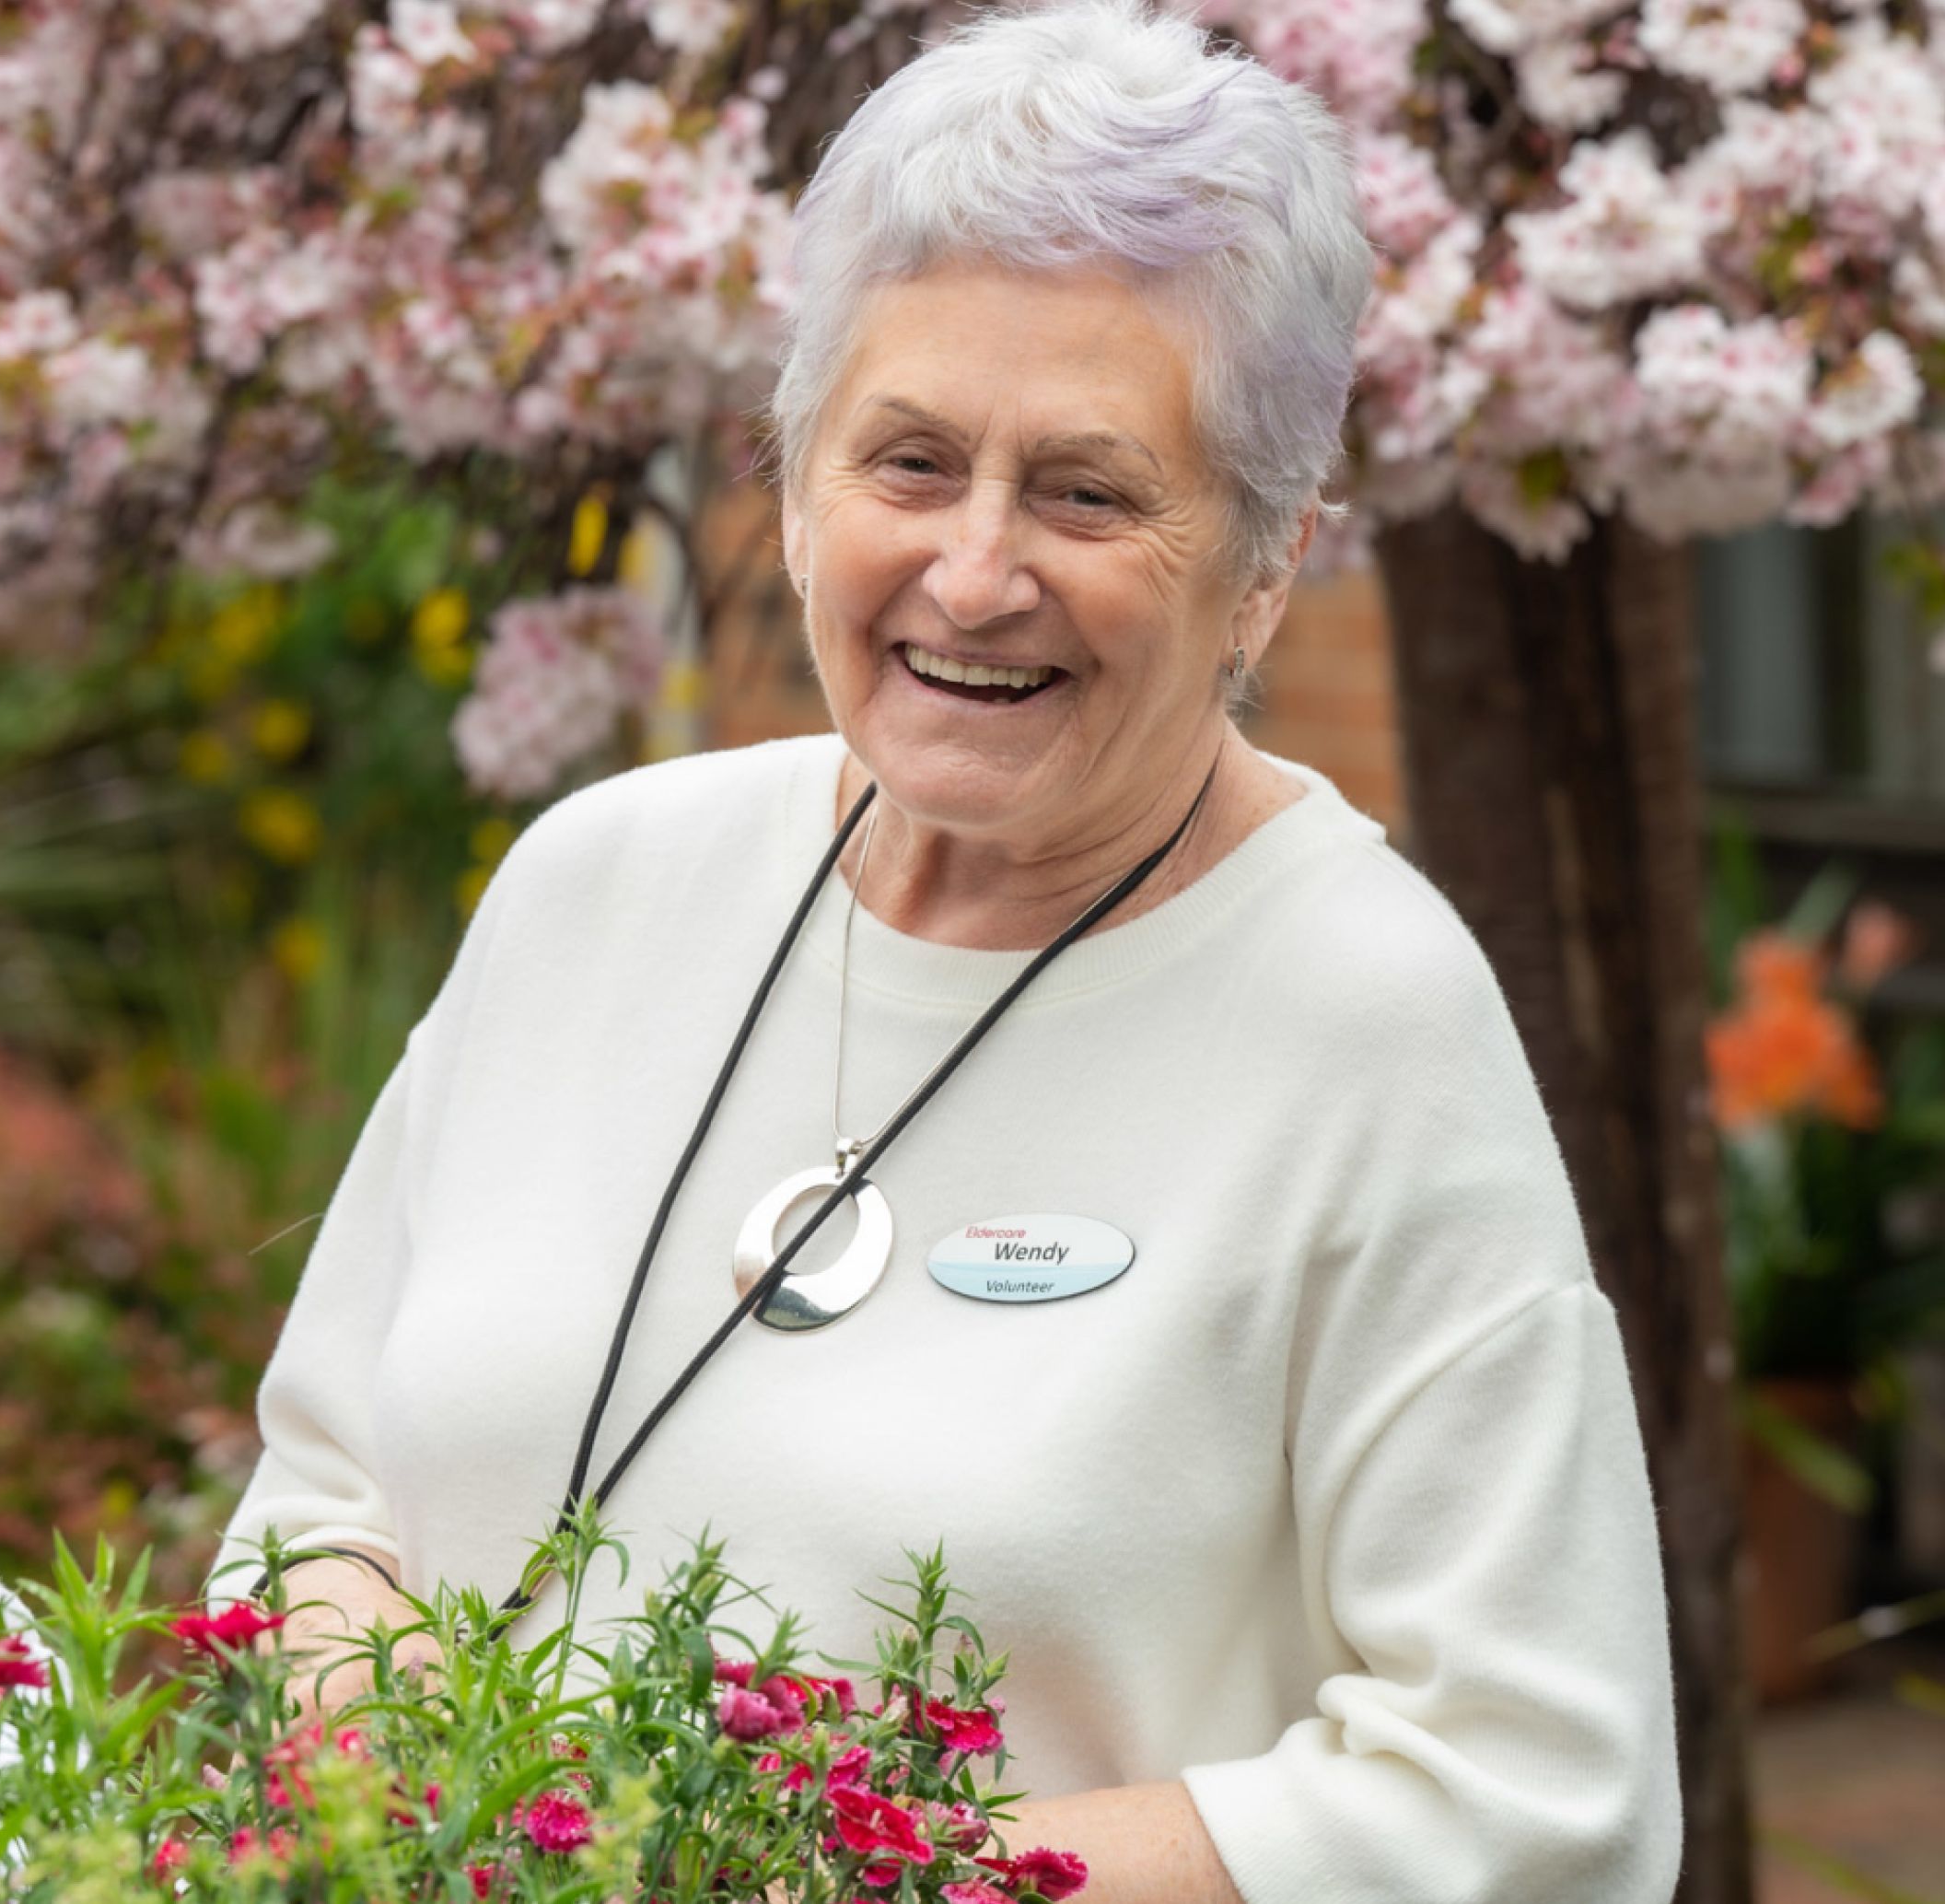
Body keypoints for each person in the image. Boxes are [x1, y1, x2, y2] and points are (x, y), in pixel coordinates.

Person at [215, 6, 1681, 1900]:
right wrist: (412, 1785)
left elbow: (1533, 1789)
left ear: (1267, 557)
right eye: (909, 461)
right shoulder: (600, 883)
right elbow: (322, 1491)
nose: (976, 573)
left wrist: (830, 1880)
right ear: (796, 472)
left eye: (1086, 491)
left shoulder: (1360, 1012)